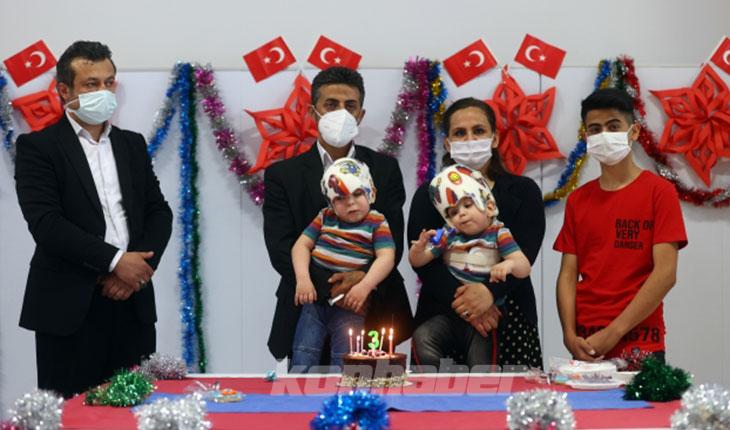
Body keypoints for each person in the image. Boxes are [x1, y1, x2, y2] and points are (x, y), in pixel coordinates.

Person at [14, 41, 173, 398]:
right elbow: (46, 224)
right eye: (91, 84)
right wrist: (116, 261)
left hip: (132, 302)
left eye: (109, 82)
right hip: (68, 307)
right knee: (73, 412)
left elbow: (159, 212)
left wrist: (137, 271)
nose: (103, 91)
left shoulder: (132, 144)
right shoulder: (38, 148)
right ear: (64, 91)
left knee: (136, 409)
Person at [263, 66, 413, 364]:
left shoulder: (384, 169)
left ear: (360, 115)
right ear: (313, 112)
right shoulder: (283, 175)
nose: (341, 113)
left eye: (350, 106)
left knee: (370, 385)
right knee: (305, 385)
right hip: (307, 305)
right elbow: (282, 247)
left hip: (371, 304)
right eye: (331, 105)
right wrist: (333, 289)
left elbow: (391, 241)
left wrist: (362, 282)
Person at [408, 97, 544, 371]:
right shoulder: (429, 194)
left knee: (506, 396)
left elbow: (524, 255)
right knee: (437, 397)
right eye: (460, 133)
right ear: (448, 144)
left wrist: (489, 294)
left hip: (509, 316)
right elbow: (424, 262)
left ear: (495, 138)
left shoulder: (524, 191)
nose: (470, 139)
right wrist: (469, 303)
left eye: (479, 131)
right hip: (442, 314)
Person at [554, 88, 687, 363]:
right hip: (586, 341)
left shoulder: (659, 192)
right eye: (595, 129)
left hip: (641, 340)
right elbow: (567, 274)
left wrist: (614, 332)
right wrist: (568, 334)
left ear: (634, 131)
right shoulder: (578, 200)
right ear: (586, 137)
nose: (604, 135)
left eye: (613, 126)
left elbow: (666, 273)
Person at [290, 158, 395, 369]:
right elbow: (300, 246)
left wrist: (364, 286)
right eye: (340, 198)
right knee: (303, 352)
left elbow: (387, 257)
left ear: (372, 193)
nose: (350, 202)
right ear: (330, 203)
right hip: (315, 301)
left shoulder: (377, 222)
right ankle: (296, 390)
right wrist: (303, 279)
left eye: (358, 193)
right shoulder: (324, 216)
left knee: (345, 358)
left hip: (351, 302)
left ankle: (344, 390)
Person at [409, 164, 530, 288]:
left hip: (488, 297)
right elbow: (418, 262)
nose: (461, 213)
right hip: (450, 296)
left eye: (467, 205)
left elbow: (525, 268)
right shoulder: (447, 232)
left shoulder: (499, 233)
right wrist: (418, 250)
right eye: (454, 212)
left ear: (489, 208)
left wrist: (510, 264)